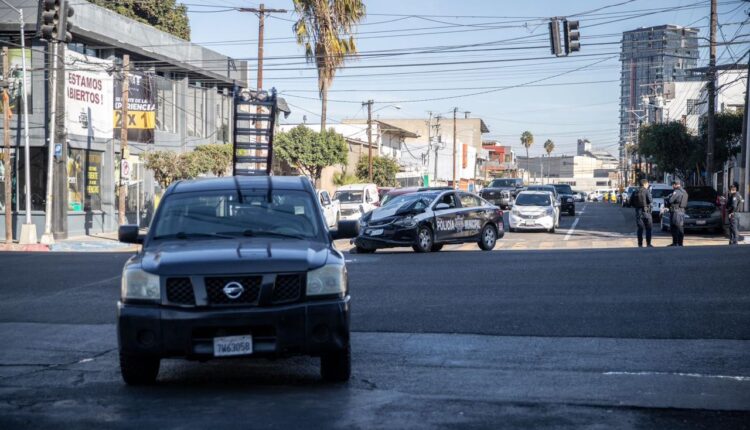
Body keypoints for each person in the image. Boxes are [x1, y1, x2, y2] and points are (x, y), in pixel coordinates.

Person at [665, 179, 688, 246]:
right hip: (682, 211)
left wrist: (668, 198)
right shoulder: (684, 191)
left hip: (676, 211)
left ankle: (675, 242)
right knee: (680, 227)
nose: (672, 186)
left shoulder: (676, 191)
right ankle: (680, 243)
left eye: (673, 185)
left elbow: (670, 201)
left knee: (674, 227)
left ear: (675, 185)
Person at [632, 179, 653, 247]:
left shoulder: (635, 191)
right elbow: (650, 200)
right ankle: (648, 243)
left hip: (638, 212)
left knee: (640, 229)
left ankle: (640, 244)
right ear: (644, 184)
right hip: (646, 212)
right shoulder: (646, 191)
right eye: (647, 184)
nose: (648, 185)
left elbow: (630, 202)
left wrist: (636, 206)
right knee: (648, 228)